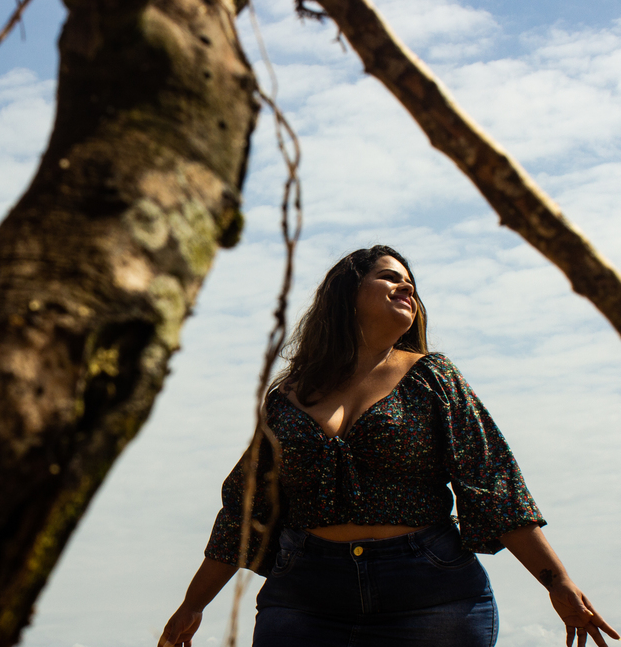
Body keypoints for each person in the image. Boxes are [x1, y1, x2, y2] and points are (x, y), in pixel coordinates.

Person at [159, 246, 618, 647]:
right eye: (390, 277)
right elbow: (246, 508)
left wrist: (557, 582)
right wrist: (192, 605)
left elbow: (493, 485)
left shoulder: (433, 378)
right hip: (304, 600)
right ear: (348, 292)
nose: (407, 289)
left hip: (430, 597)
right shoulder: (288, 397)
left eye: (411, 284)